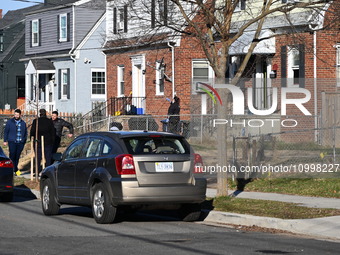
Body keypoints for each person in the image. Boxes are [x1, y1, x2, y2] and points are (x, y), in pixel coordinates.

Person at [30, 109, 55, 173]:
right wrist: (52, 141)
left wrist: (32, 140)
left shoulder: (36, 121)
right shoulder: (49, 121)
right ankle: (48, 171)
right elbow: (53, 132)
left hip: (37, 142)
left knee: (38, 157)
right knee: (48, 157)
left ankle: (37, 171)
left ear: (40, 113)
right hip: (47, 142)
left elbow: (32, 132)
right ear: (45, 113)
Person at [3, 109, 27, 175]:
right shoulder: (10, 122)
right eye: (15, 114)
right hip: (12, 141)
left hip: (20, 142)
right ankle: (13, 170)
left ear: (20, 115)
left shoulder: (23, 123)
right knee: (12, 156)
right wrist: (5, 140)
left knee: (17, 156)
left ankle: (15, 169)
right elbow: (6, 132)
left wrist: (23, 141)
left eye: (17, 115)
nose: (16, 116)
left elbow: (25, 133)